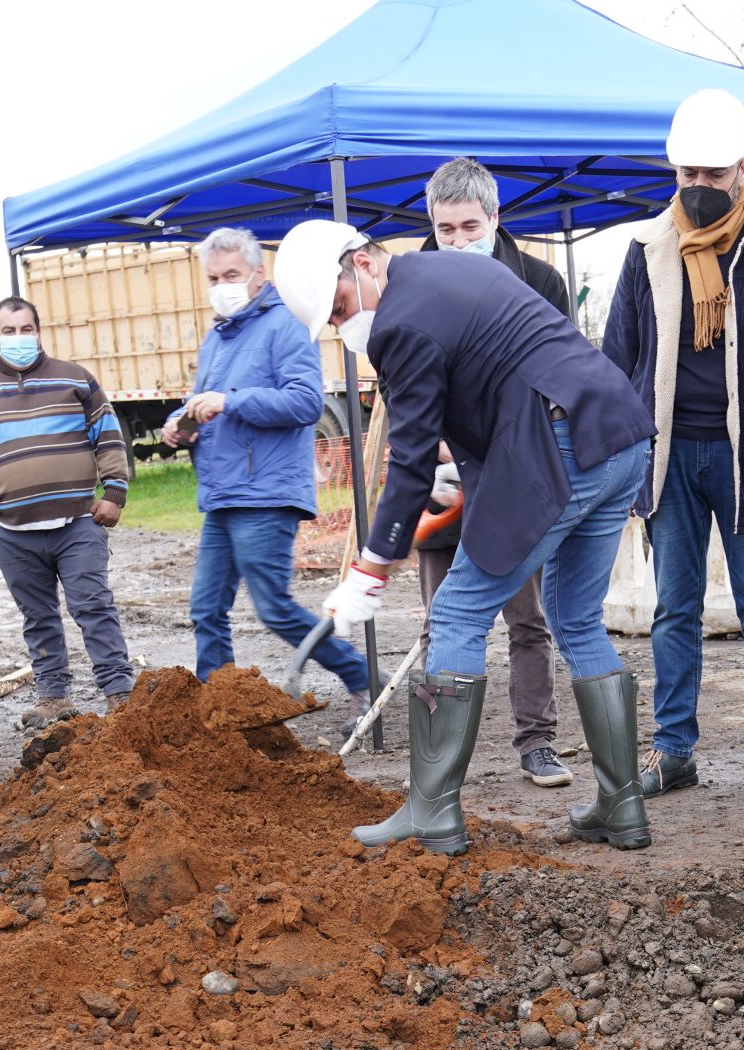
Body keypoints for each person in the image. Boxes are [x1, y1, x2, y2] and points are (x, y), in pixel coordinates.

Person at [273, 220, 655, 852]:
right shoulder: (451, 270)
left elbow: (412, 456)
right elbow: (494, 376)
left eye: (340, 309)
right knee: (574, 616)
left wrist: (371, 566)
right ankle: (621, 806)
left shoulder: (399, 321)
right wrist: (463, 481)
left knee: (456, 610)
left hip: (560, 446)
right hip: (617, 435)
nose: (344, 328)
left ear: (362, 263)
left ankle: (431, 811)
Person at [602, 87, 744, 805]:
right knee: (673, 607)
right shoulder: (646, 249)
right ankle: (673, 749)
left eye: (712, 175)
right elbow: (619, 359)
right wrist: (629, 459)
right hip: (670, 457)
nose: (697, 188)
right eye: (685, 175)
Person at [165, 228, 372, 701]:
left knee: (274, 607)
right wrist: (179, 422)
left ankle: (359, 672)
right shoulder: (217, 336)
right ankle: (220, 704)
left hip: (266, 491)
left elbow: (304, 402)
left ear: (259, 274)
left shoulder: (287, 324)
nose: (223, 285)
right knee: (205, 608)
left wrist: (228, 401)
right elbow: (206, 400)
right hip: (223, 493)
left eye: (232, 274)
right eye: (214, 277)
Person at [418, 157, 571, 788]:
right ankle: (437, 760)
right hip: (443, 481)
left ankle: (537, 742)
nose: (456, 241)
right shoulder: (416, 283)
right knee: (442, 621)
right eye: (444, 229)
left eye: (468, 227)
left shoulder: (539, 281)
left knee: (526, 618)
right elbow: (405, 387)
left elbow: (559, 380)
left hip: (516, 477)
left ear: (495, 218)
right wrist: (430, 452)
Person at [0, 295, 136, 726]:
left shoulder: (75, 379)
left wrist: (114, 494)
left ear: (38, 332)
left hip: (77, 522)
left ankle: (119, 692)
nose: (19, 338)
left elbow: (109, 435)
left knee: (93, 605)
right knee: (38, 616)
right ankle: (54, 696)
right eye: (10, 331)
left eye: (27, 329)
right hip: (12, 531)